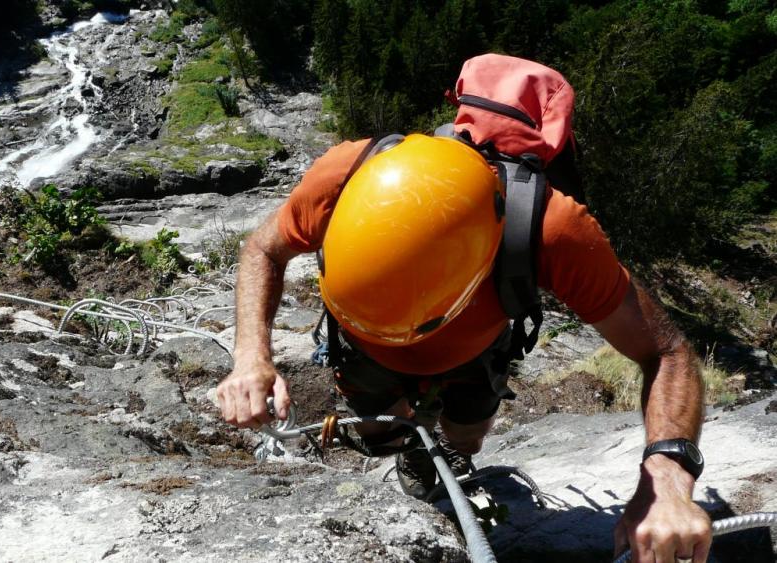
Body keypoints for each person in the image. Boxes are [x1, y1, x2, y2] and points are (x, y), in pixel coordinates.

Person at [216, 131, 713, 563]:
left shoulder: (552, 231)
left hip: (475, 351)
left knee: (467, 436)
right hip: (363, 350)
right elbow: (264, 247)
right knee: (379, 431)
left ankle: (448, 452)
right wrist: (251, 357)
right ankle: (410, 449)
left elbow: (665, 352)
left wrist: (667, 483)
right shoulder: (339, 180)